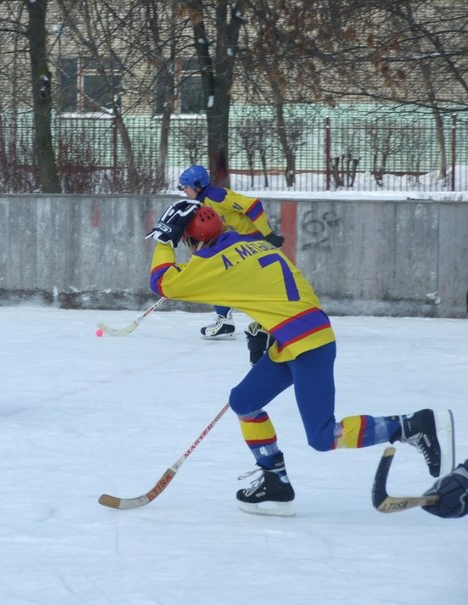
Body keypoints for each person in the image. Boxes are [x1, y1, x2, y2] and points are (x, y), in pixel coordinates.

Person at [145, 200, 455, 516]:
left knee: (323, 436)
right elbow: (278, 289)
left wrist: (164, 239)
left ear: (191, 237)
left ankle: (411, 426)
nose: (186, 247)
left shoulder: (212, 261)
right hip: (293, 337)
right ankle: (275, 483)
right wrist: (262, 326)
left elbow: (163, 284)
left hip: (308, 344)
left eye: (185, 241)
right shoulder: (252, 244)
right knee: (243, 401)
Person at [177, 165, 284, 341]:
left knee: (244, 283)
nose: (184, 191)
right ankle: (226, 321)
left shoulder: (217, 196)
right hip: (233, 242)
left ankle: (271, 322)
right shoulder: (201, 203)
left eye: (186, 187)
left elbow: (253, 205)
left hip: (249, 243)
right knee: (218, 278)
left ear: (197, 185)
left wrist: (268, 234)